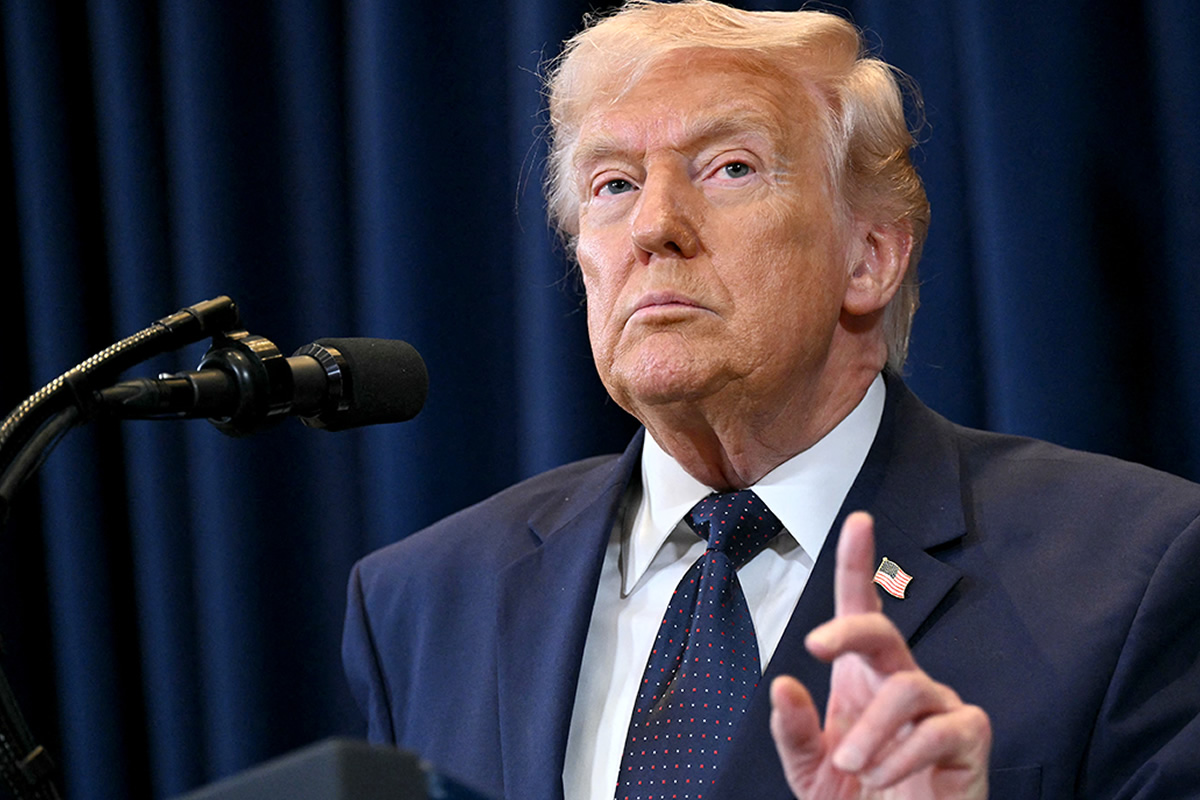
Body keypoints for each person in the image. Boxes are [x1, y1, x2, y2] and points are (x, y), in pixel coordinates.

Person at [342, 2, 1200, 799]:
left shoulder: (1129, 572)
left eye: (729, 168)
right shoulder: (426, 603)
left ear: (869, 257)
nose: (654, 225)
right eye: (613, 184)